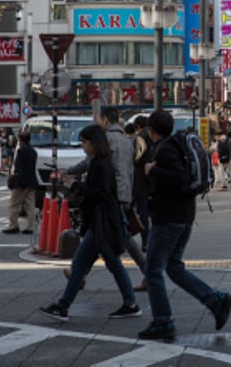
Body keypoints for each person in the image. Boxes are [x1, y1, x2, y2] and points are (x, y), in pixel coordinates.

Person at [136, 110, 231, 342]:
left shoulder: (166, 149)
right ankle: (214, 301)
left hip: (169, 218)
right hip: (183, 216)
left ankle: (162, 320)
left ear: (152, 130)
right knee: (173, 267)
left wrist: (153, 170)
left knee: (153, 270)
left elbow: (178, 179)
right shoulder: (175, 145)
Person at [39, 125, 141, 322]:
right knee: (89, 264)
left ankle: (129, 303)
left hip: (103, 222)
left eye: (84, 142)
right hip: (100, 222)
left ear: (94, 143)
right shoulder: (100, 162)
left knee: (102, 264)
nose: (83, 146)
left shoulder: (102, 164)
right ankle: (64, 306)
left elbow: (101, 194)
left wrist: (76, 186)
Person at [61, 107, 147, 291]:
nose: (97, 123)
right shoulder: (127, 140)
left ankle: (147, 275)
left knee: (115, 237)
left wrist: (68, 173)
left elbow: (89, 164)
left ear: (106, 121)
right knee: (104, 235)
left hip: (108, 195)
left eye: (99, 120)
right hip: (125, 192)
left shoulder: (104, 141)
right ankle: (81, 273)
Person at [2, 130, 39, 234]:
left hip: (21, 182)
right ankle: (30, 227)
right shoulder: (33, 151)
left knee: (13, 204)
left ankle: (13, 225)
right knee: (30, 204)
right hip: (32, 180)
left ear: (20, 140)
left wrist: (16, 179)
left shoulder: (21, 151)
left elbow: (19, 167)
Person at [131, 115, 154, 248]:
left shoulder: (141, 138)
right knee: (151, 212)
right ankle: (152, 240)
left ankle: (146, 241)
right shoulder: (153, 137)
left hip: (141, 179)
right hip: (153, 178)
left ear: (138, 127)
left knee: (142, 211)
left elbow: (137, 157)